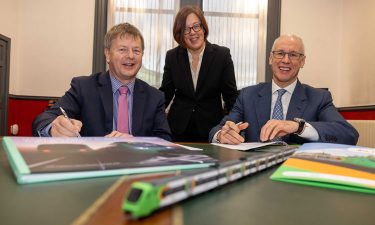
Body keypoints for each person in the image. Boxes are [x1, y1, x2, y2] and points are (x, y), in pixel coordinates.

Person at [209, 34, 359, 145]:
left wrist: (298, 127)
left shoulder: (319, 98)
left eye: (293, 55)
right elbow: (219, 129)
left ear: (302, 61)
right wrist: (222, 135)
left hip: (297, 176)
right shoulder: (247, 95)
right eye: (280, 53)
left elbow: (348, 134)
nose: (286, 60)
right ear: (270, 58)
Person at [32, 23, 171, 141]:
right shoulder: (84, 88)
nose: (130, 56)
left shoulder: (155, 96)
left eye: (136, 51)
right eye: (122, 49)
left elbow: (164, 139)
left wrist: (136, 143)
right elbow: (44, 118)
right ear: (107, 54)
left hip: (138, 169)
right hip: (94, 166)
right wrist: (54, 127)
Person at [159, 6, 238, 142]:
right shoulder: (172, 57)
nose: (192, 32)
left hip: (212, 130)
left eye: (196, 26)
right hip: (178, 129)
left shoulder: (222, 55)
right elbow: (165, 95)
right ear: (180, 33)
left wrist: (230, 125)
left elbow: (230, 97)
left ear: (203, 27)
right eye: (186, 29)